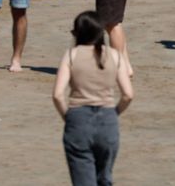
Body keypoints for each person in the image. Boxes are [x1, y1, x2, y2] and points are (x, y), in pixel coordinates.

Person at [53, 12, 133, 186]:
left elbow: (58, 95)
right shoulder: (114, 55)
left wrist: (68, 117)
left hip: (78, 119)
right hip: (107, 120)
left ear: (77, 33)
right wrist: (114, 112)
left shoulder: (71, 55)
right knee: (104, 178)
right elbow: (128, 94)